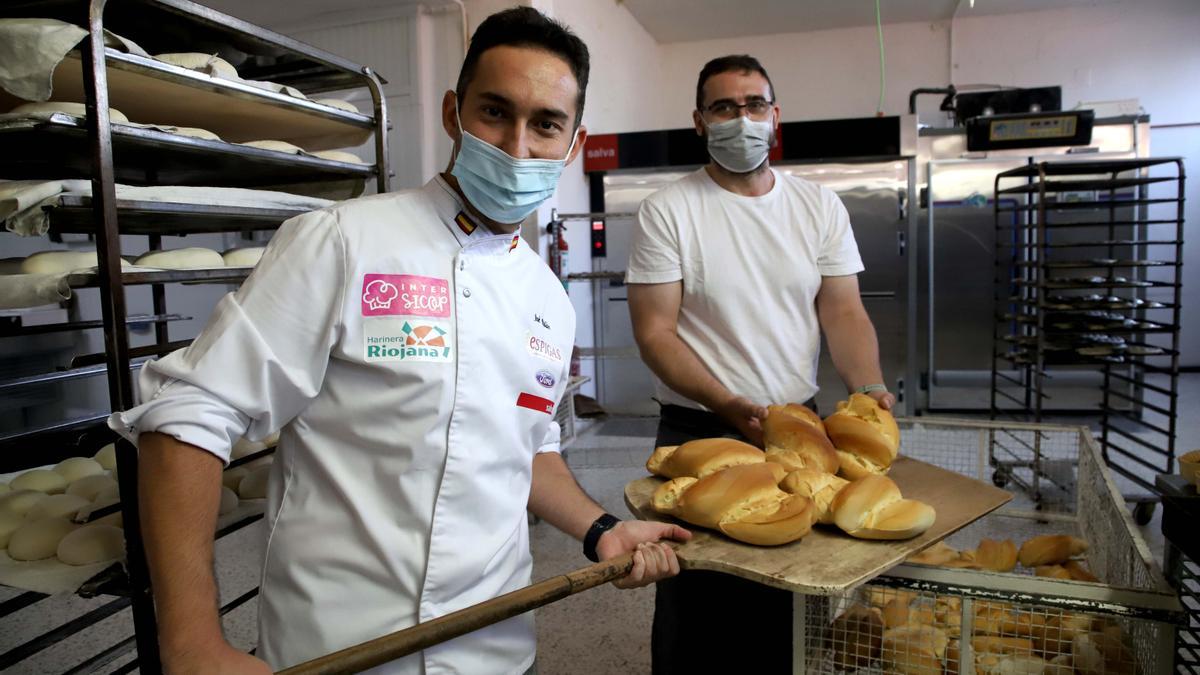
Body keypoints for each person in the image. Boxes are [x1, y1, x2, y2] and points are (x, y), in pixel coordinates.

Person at [111, 9, 689, 674]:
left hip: (498, 651)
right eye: (495, 112)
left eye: (545, 124)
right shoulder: (342, 242)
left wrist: (601, 529)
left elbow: (529, 449)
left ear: (573, 140)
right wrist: (189, 643)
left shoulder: (549, 301)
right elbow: (186, 415)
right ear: (452, 113)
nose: (517, 147)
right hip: (336, 650)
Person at [625, 54, 894, 674]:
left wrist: (870, 388)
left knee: (789, 606)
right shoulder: (669, 210)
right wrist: (728, 404)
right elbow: (655, 333)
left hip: (802, 434)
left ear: (775, 116)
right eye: (724, 107)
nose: (740, 119)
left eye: (753, 105)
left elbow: (844, 313)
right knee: (698, 612)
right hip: (702, 432)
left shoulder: (818, 206)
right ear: (699, 121)